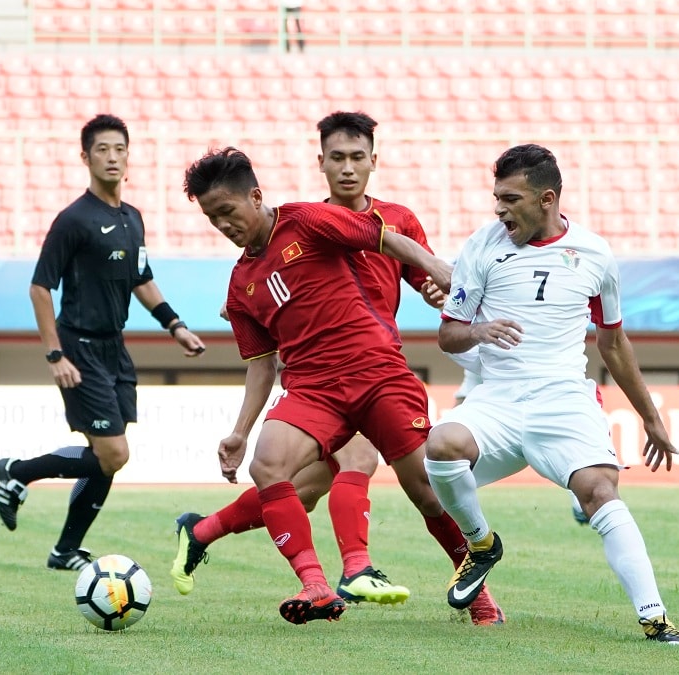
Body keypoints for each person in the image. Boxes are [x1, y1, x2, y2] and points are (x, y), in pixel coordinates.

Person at [170, 112, 505, 622]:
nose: (224, 225)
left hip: (376, 371)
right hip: (313, 388)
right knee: (268, 465)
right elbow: (261, 366)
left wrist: (438, 270)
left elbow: (385, 237)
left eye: (228, 211)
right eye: (213, 218)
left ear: (256, 198)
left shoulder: (306, 218)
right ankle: (318, 585)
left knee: (426, 492)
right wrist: (239, 432)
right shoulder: (240, 288)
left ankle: (478, 596)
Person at [423, 143, 679, 645]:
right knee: (439, 449)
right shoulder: (481, 247)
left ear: (547, 199)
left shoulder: (595, 254)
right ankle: (481, 545)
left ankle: (656, 619)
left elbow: (613, 343)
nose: (499, 209)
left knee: (599, 492)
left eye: (511, 198)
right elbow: (447, 334)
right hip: (498, 399)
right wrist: (479, 332)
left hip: (564, 402)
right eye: (496, 197)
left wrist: (651, 417)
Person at [0, 114, 206, 570]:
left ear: (129, 158)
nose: (112, 157)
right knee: (114, 453)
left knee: (107, 457)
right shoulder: (73, 220)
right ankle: (18, 471)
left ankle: (64, 549)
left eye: (120, 149)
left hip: (115, 347)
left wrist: (176, 326)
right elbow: (39, 287)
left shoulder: (133, 218)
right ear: (85, 157)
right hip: (79, 345)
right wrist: (56, 354)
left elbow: (141, 278)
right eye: (103, 149)